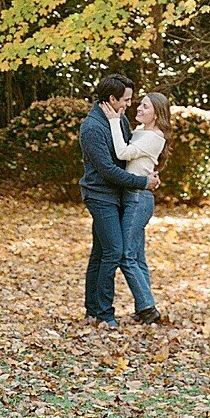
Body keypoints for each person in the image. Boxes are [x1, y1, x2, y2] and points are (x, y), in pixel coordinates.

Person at [79, 74, 159, 328]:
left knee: (101, 252)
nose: (129, 104)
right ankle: (104, 313)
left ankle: (93, 310)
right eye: (125, 100)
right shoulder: (92, 128)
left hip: (117, 195)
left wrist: (146, 171)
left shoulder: (118, 119)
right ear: (111, 99)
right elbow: (108, 170)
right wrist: (142, 183)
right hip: (100, 196)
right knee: (114, 251)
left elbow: (126, 155)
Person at [102, 92, 171, 326]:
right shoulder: (141, 132)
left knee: (126, 256)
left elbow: (123, 153)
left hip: (139, 198)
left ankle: (148, 308)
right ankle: (145, 308)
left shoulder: (155, 136)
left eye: (145, 106)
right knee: (137, 257)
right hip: (133, 194)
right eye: (140, 104)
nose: (138, 109)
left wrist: (113, 120)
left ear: (157, 113)